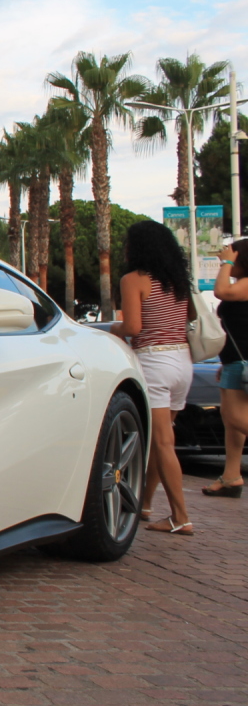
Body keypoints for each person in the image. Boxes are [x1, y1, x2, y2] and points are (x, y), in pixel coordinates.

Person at [111, 221, 194, 536]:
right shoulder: (177, 282)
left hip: (155, 361)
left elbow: (132, 327)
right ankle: (145, 504)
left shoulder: (133, 280)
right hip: (182, 361)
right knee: (165, 441)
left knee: (162, 442)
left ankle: (181, 517)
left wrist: (109, 329)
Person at [202, 238, 248, 497]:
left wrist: (226, 262)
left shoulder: (246, 285)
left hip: (242, 362)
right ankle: (231, 476)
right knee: (231, 423)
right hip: (233, 361)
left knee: (235, 417)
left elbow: (221, 292)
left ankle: (231, 476)